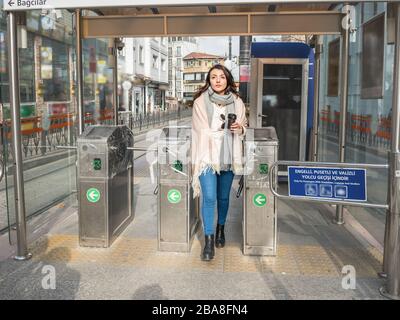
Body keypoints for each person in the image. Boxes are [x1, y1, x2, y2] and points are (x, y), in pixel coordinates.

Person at [191, 64, 247, 261]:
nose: (217, 80)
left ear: (227, 79)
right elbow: (200, 131)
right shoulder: (200, 102)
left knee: (223, 198)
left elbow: (243, 127)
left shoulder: (237, 102)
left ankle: (220, 228)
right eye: (213, 77)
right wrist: (221, 130)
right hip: (207, 158)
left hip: (229, 157)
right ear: (209, 80)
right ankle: (208, 241)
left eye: (221, 77)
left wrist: (238, 128)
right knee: (209, 198)